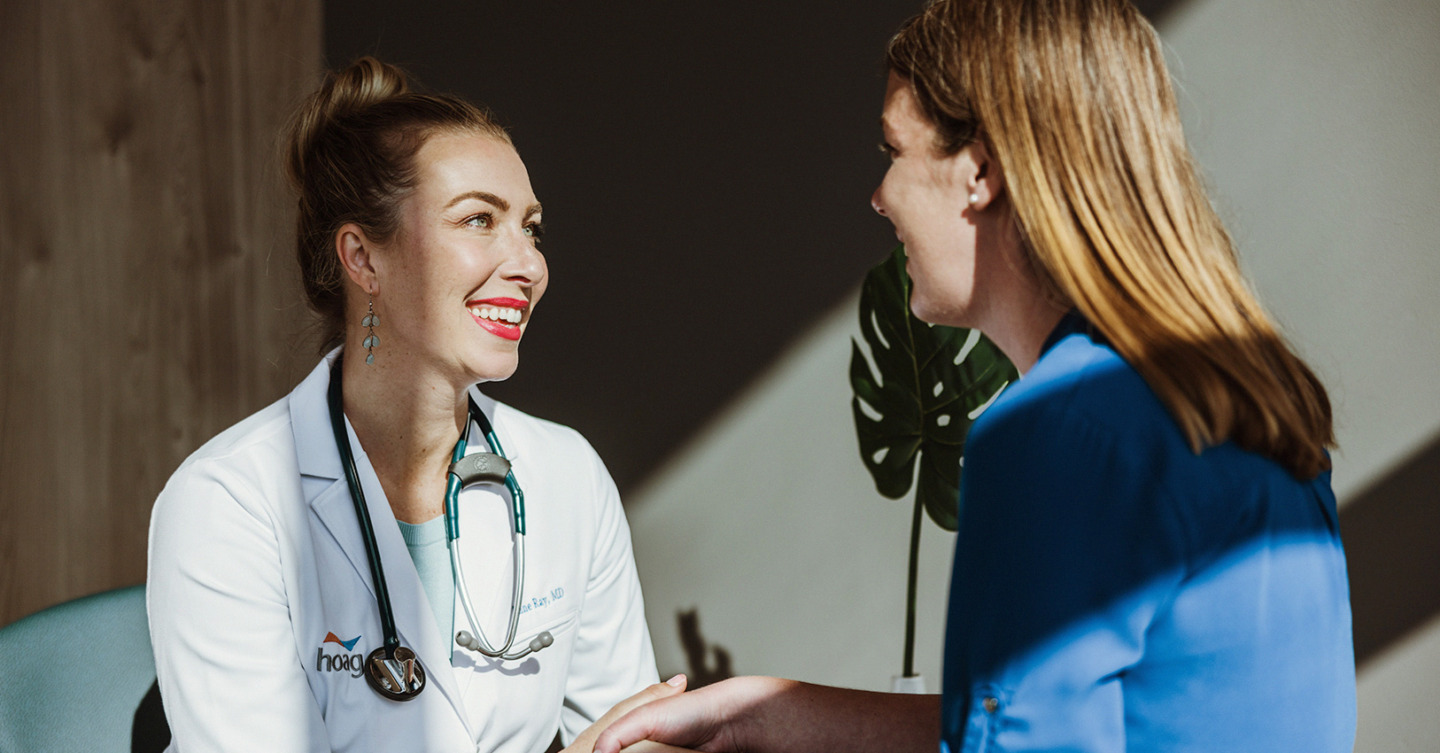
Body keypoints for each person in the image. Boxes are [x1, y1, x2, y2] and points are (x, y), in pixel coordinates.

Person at [595, 1, 1355, 751]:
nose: (879, 195)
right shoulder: (1231, 405)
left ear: (980, 172)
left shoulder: (1057, 432)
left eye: (893, 151)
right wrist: (755, 712)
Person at [147, 57, 675, 753]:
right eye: (480, 220)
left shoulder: (565, 476)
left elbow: (629, 734)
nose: (529, 265)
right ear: (363, 259)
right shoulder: (229, 504)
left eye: (532, 227)